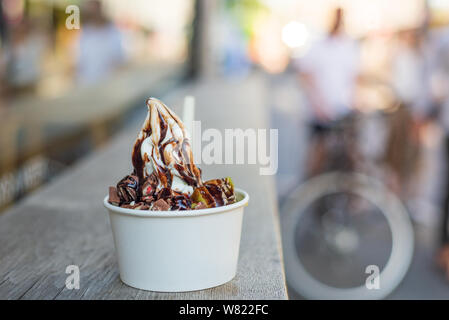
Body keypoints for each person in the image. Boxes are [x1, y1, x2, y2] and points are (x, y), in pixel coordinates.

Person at [294, 8, 360, 175]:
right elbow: (306, 75)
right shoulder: (319, 45)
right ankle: (310, 190)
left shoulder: (348, 46)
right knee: (318, 154)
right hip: (319, 112)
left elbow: (353, 78)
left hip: (342, 110)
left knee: (348, 157)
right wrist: (318, 104)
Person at [76, 0, 125, 85]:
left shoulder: (113, 32)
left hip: (108, 86)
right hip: (86, 86)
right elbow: (79, 62)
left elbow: (119, 61)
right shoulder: (85, 33)